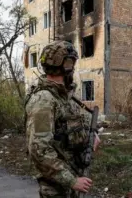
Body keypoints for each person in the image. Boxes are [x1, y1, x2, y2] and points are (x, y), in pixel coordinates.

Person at [25, 41, 101, 198]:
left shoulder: (65, 97)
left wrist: (91, 137)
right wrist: (71, 181)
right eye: (71, 62)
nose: (73, 67)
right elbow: (39, 150)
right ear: (65, 65)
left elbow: (72, 127)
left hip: (74, 179)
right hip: (57, 188)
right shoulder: (44, 100)